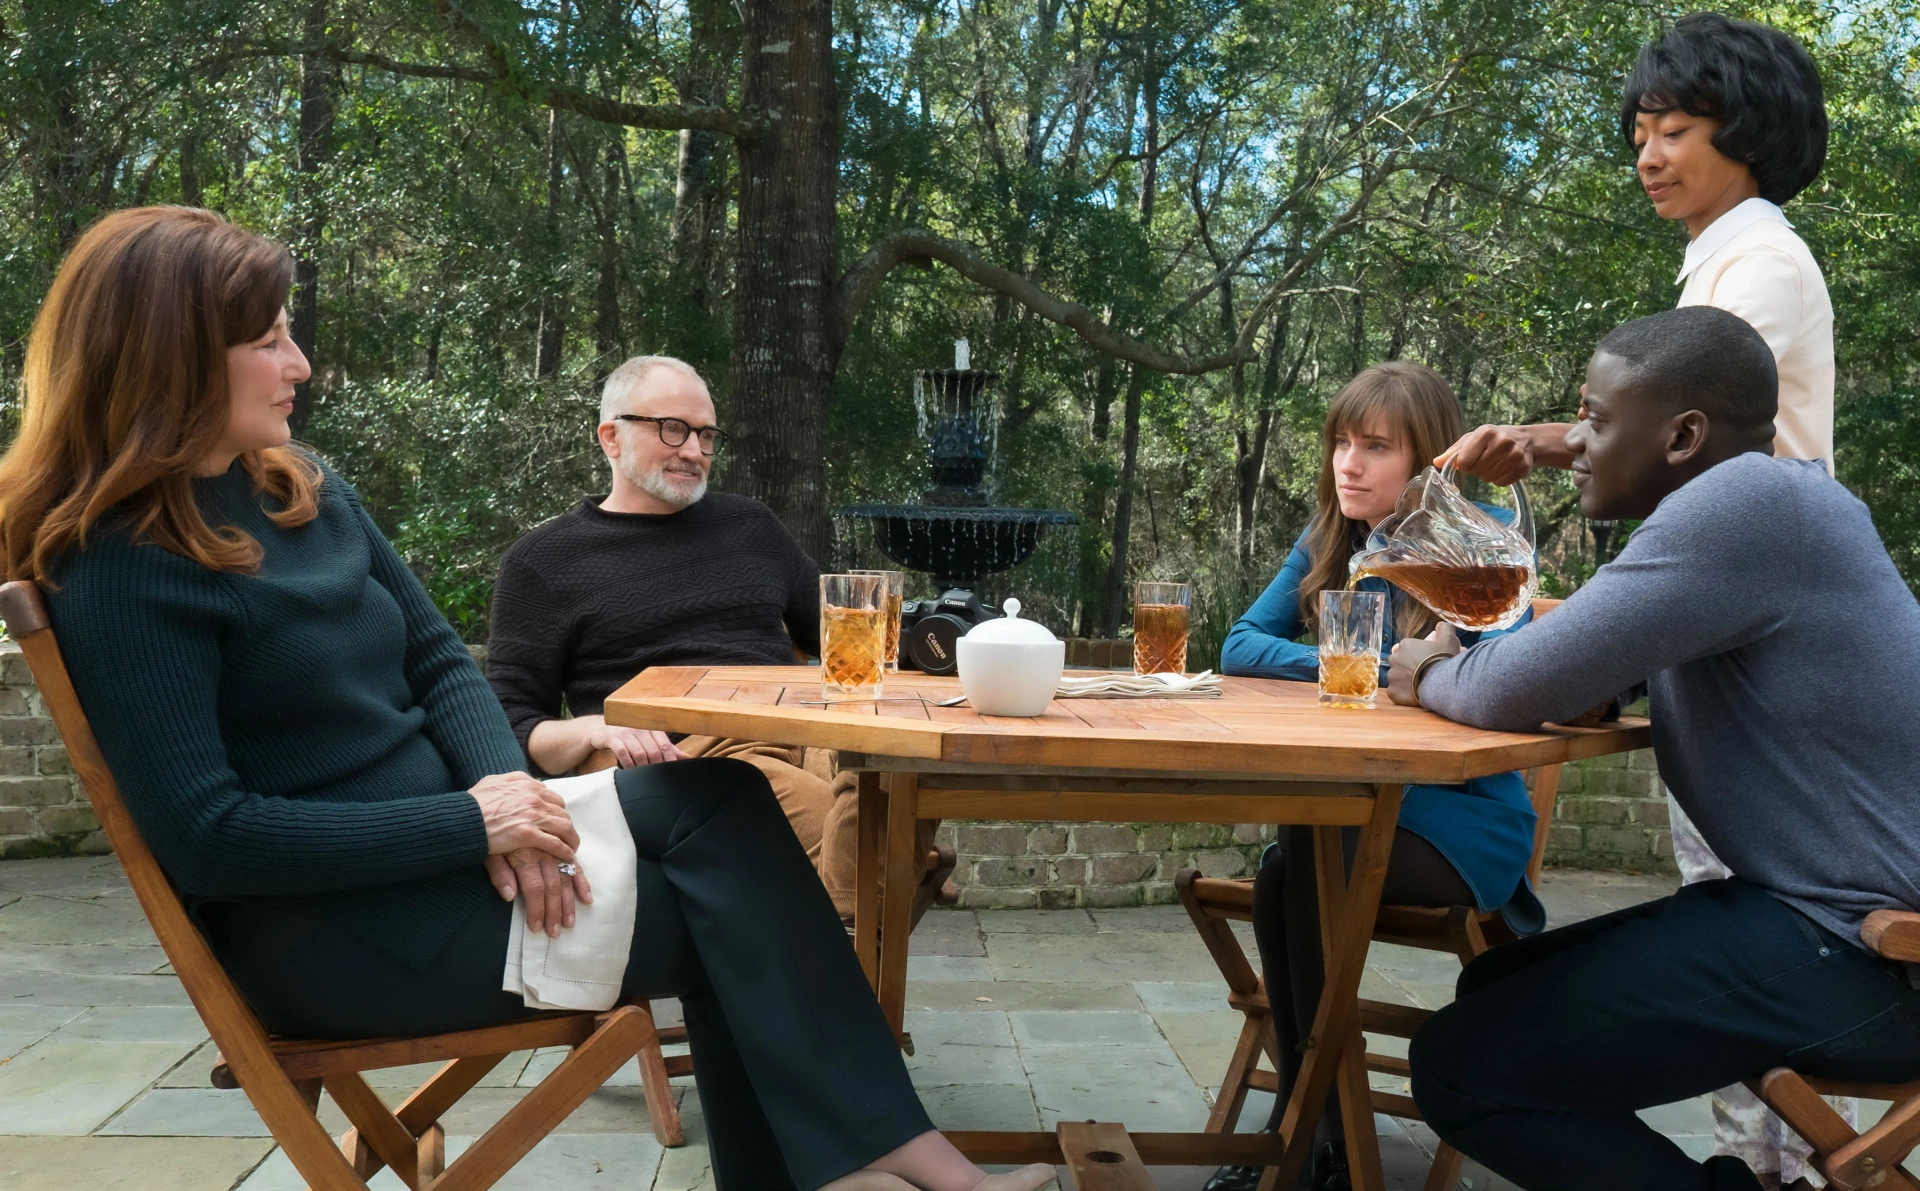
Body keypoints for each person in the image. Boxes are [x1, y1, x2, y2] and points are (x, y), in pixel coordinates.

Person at [0, 206, 1053, 1191]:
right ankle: (884, 1163)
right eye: (269, 341)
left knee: (721, 803)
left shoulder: (300, 485)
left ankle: (867, 1160)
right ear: (171, 358)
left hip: (461, 864)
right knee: (743, 913)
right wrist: (473, 822)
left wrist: (506, 798)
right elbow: (211, 838)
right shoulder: (127, 566)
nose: (300, 365)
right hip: (346, 934)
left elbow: (439, 663)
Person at [1389, 306, 1920, 1191]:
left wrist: (1425, 671)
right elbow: (1582, 672)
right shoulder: (1767, 506)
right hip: (1824, 925)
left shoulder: (1741, 509)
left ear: (1682, 436)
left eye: (1595, 419)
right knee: (1496, 994)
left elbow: (1507, 688)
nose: (1579, 443)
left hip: (1873, 956)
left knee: (1464, 1060)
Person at [1442, 19, 1841, 1181]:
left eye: (1675, 130)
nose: (1649, 155)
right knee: (1728, 912)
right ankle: (1764, 1165)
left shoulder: (1760, 260)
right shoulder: (1724, 253)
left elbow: (1687, 431)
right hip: (1733, 616)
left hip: (1756, 631)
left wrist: (1554, 442)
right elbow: (1661, 428)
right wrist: (1559, 440)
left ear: (1747, 134)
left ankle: (1787, 1170)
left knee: (1749, 924)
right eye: (1639, 135)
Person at [1207, 362, 1542, 1191]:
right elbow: (1239, 646)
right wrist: (1367, 660)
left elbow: (1508, 680)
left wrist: (1427, 666)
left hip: (1466, 823)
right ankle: (1313, 1135)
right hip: (1357, 811)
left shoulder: (1485, 553)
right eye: (1340, 444)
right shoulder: (1331, 542)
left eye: (1376, 447)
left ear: (1430, 460)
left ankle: (1308, 1141)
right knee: (1294, 860)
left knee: (1302, 860)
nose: (1347, 465)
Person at [485, 355, 891, 921]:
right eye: (672, 429)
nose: (694, 451)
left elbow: (838, 633)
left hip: (806, 725)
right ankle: (882, 880)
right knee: (868, 817)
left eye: (705, 435)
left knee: (894, 761)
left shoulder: (751, 526)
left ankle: (873, 876)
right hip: (694, 756)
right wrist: (594, 726)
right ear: (612, 437)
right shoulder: (544, 562)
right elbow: (509, 722)